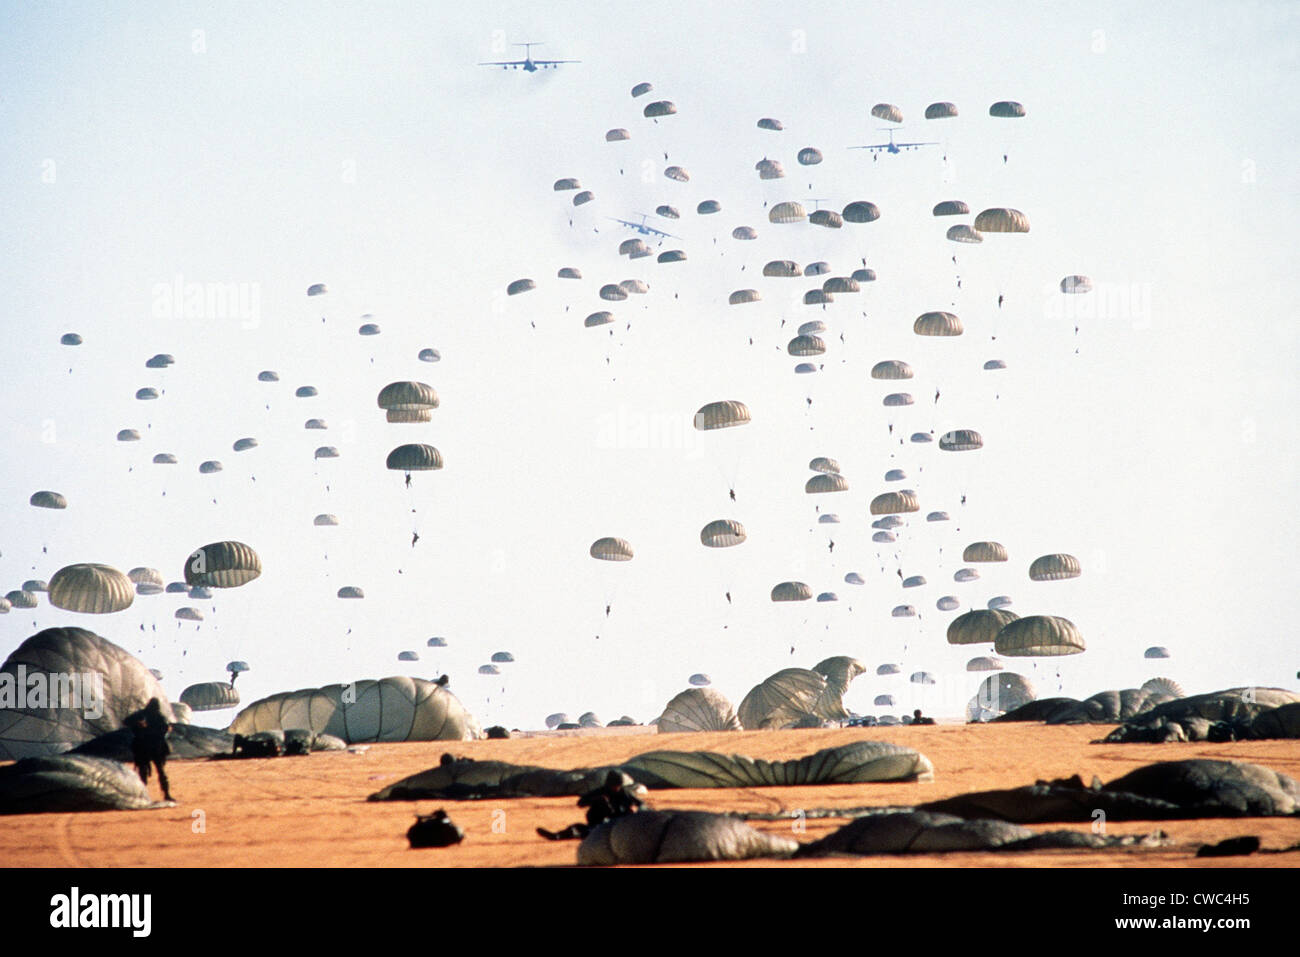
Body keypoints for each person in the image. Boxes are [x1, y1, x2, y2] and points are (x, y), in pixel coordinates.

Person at [536, 771, 643, 841]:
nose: (616, 788)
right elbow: (581, 802)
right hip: (601, 823)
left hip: (620, 824)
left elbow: (641, 804)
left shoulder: (625, 793)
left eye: (618, 786)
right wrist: (596, 800)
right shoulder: (601, 792)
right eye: (614, 785)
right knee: (579, 829)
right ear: (609, 784)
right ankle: (557, 836)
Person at [124, 698, 173, 801]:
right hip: (154, 748)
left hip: (143, 747)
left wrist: (139, 725)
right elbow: (164, 729)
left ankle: (143, 795)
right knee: (160, 771)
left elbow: (126, 721)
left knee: (144, 772)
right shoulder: (159, 717)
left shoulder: (142, 714)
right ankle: (166, 794)